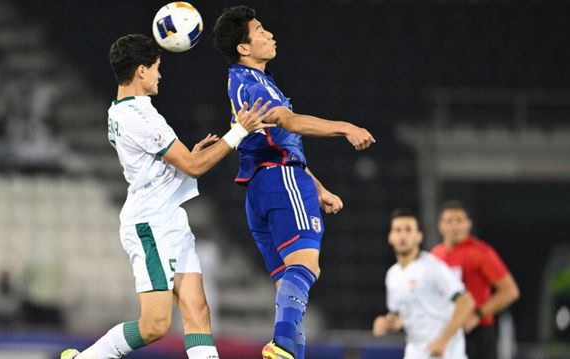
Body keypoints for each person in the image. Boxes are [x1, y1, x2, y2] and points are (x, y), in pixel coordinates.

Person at [60, 34, 272, 359]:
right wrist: (239, 130)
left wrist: (189, 160)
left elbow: (174, 162)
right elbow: (194, 165)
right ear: (141, 71)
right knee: (155, 325)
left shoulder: (121, 110)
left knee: (197, 311)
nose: (160, 75)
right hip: (151, 224)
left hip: (169, 218)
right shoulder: (140, 117)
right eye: (157, 67)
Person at [212, 6, 376, 359]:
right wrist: (345, 127)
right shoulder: (251, 82)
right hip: (280, 180)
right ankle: (283, 344)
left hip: (261, 186)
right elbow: (289, 122)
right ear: (243, 47)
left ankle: (290, 352)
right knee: (307, 266)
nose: (270, 34)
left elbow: (270, 143)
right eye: (260, 30)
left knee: (291, 286)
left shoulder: (244, 82)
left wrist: (316, 187)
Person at [373, 208, 475, 359]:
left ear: (419, 237)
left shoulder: (432, 267)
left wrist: (443, 340)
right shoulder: (392, 275)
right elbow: (401, 316)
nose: (402, 235)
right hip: (416, 352)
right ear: (390, 237)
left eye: (408, 230)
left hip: (446, 353)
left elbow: (466, 301)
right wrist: (387, 323)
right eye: (398, 230)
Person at [432, 200, 520, 359]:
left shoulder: (480, 252)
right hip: (447, 331)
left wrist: (478, 314)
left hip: (477, 332)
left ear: (468, 224)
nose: (454, 226)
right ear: (440, 226)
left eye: (459, 220)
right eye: (449, 221)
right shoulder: (435, 256)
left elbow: (510, 291)